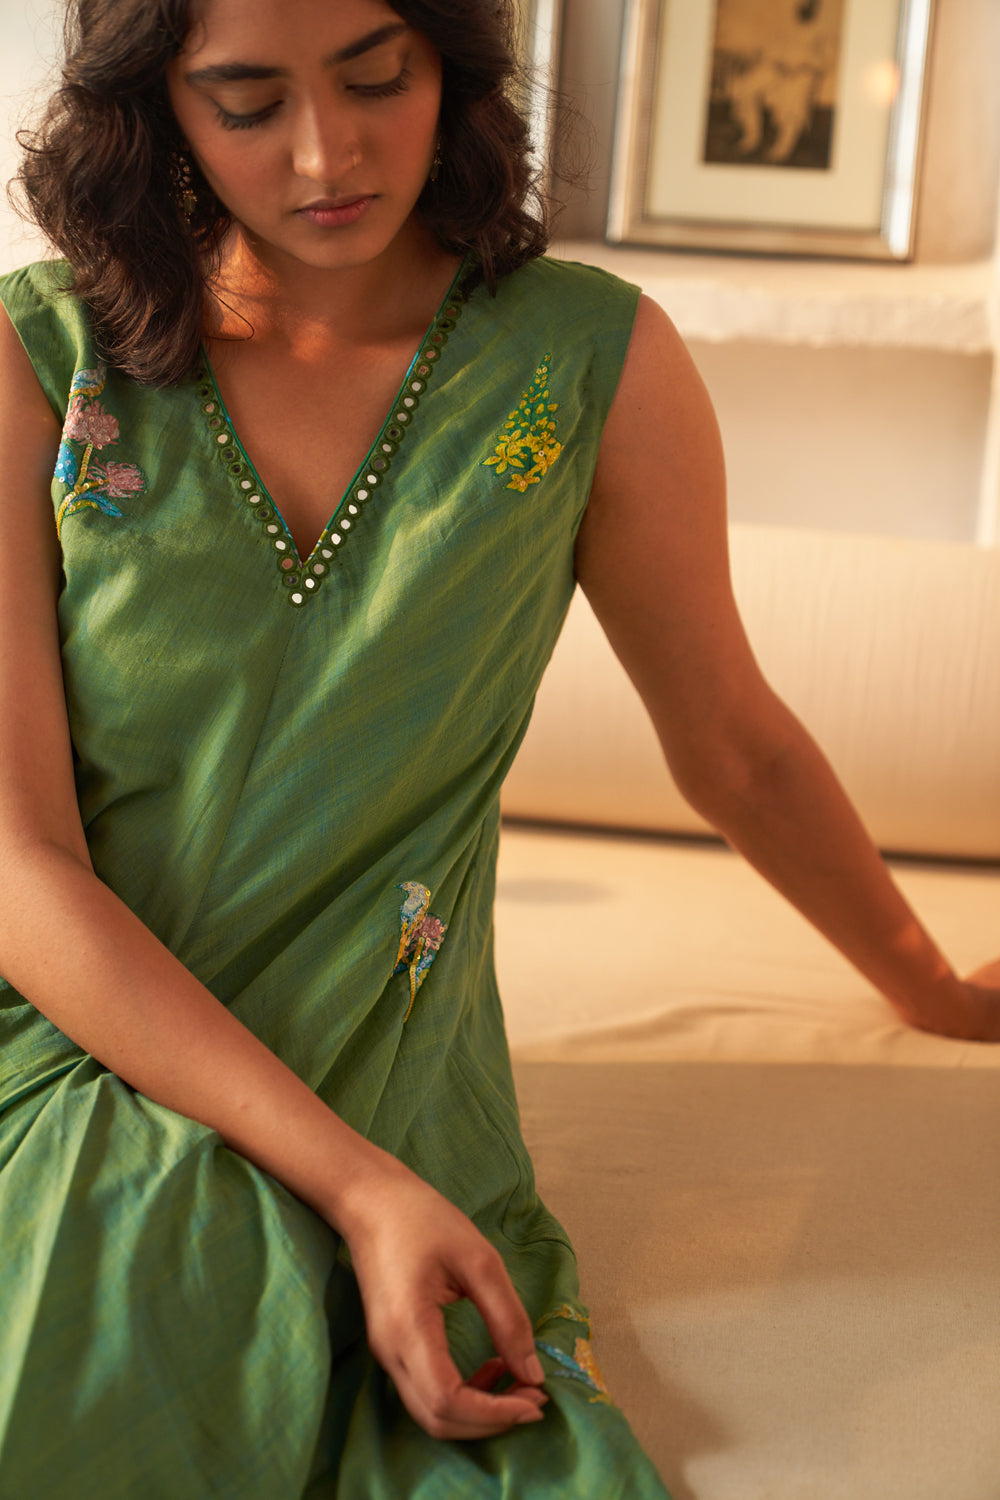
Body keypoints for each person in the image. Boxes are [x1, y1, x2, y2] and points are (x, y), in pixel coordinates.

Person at [0, 0, 996, 1494]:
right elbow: (13, 858)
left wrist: (930, 986)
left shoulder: (592, 364)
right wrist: (360, 1191)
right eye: (248, 103)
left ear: (452, 66)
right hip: (58, 1011)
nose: (326, 153)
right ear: (160, 111)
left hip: (373, 1044)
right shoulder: (40, 356)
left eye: (374, 78)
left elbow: (734, 743)